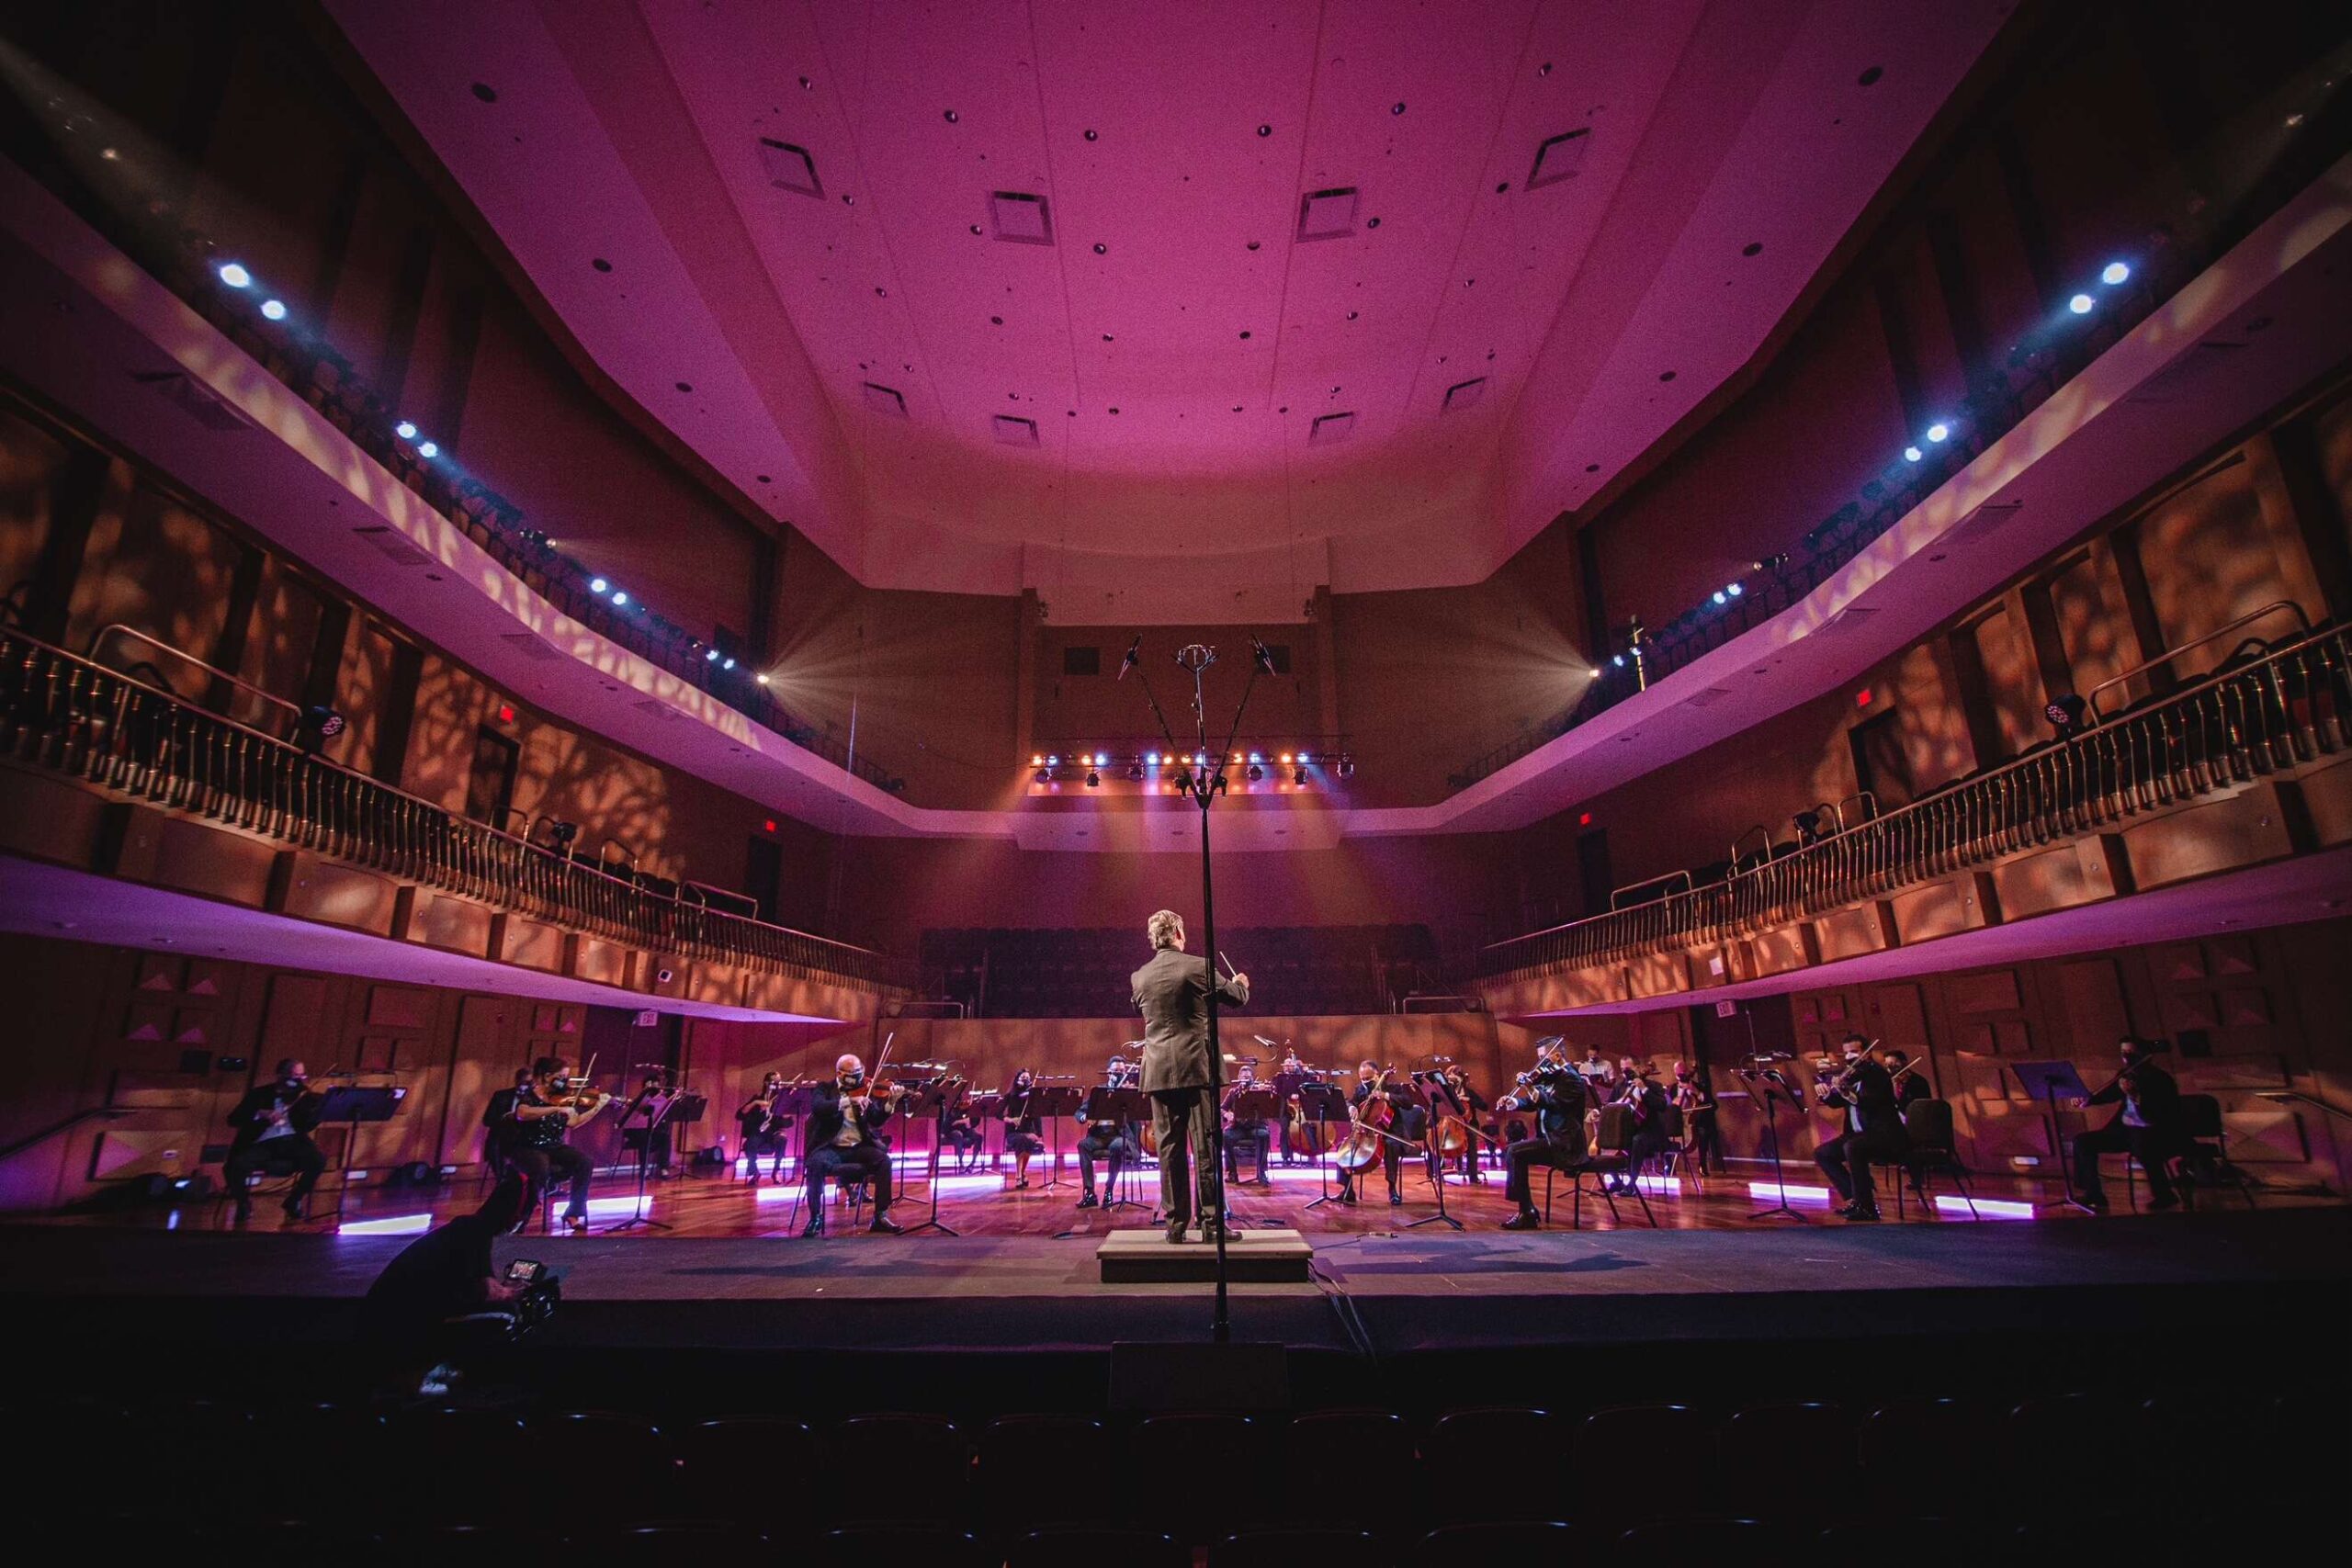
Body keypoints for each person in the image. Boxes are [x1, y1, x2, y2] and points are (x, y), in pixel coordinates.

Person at [1132, 908, 1249, 1244]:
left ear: (1154, 938)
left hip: (1158, 1072)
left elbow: (1143, 1007)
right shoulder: (1198, 967)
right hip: (1196, 1070)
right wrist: (1240, 983)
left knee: (1169, 1149)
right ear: (1179, 933)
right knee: (1206, 1147)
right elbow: (1236, 998)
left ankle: (1175, 1226)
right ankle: (1211, 1225)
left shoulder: (1139, 976)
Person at [358, 1172, 535, 1383]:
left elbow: (483, 1283)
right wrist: (510, 1293)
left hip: (395, 1316)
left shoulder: (471, 1228)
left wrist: (502, 1289)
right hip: (403, 1324)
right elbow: (484, 1291)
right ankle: (424, 1371)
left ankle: (429, 1367)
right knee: (508, 1315)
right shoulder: (474, 1232)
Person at [2071, 1036, 2185, 1213]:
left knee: (2143, 1143)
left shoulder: (2160, 1079)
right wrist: (2088, 1100)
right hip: (2124, 1131)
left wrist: (2134, 1096)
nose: (2126, 1057)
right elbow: (2110, 1094)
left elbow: (2160, 1114)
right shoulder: (2125, 1074)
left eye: (2131, 1053)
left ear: (2144, 1054)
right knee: (2082, 1141)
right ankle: (2093, 1193)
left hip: (2153, 1131)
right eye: (2124, 1053)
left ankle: (2164, 1195)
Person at [507, 1056, 616, 1232]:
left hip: (554, 1146)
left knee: (585, 1161)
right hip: (528, 1146)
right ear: (547, 1076)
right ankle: (522, 1217)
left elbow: (574, 1122)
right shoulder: (529, 1094)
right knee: (540, 1165)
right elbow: (522, 1113)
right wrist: (555, 1109)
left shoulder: (561, 1097)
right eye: (561, 1077)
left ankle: (573, 1213)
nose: (565, 1082)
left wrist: (597, 1107)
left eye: (566, 1077)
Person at [802, 1053, 905, 1236]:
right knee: (815, 1164)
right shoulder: (824, 1088)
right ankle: (815, 1217)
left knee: (884, 1162)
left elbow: (875, 1120)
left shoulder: (864, 1089)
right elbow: (819, 1107)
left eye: (859, 1072)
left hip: (857, 1147)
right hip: (830, 1148)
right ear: (840, 1074)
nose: (858, 1078)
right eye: (853, 1073)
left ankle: (880, 1216)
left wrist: (890, 1103)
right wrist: (848, 1101)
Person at [1813, 1034, 1909, 1222]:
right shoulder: (1852, 1075)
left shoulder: (1877, 1075)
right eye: (1846, 1053)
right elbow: (1836, 1102)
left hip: (1885, 1135)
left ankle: (1867, 1208)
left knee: (1854, 1147)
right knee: (1823, 1153)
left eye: (1854, 1052)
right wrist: (1825, 1094)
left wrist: (1847, 1093)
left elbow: (1869, 1103)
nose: (1849, 1057)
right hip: (1859, 1135)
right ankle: (1855, 1198)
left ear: (1867, 1053)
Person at [223, 1059, 331, 1224]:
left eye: (302, 1075)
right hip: (262, 1142)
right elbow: (233, 1120)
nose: (300, 1080)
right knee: (237, 1164)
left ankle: (293, 1201)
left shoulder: (304, 1096)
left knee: (318, 1160)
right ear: (281, 1075)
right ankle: (243, 1203)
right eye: (295, 1075)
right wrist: (260, 1113)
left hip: (293, 1141)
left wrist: (315, 1114)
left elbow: (306, 1126)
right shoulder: (259, 1094)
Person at [1498, 1052, 1589, 1230]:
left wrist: (1531, 1088)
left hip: (1565, 1144)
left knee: (1514, 1151)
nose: (1541, 1060)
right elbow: (1536, 1102)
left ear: (1556, 1055)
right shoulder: (1553, 1077)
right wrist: (1515, 1102)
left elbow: (1552, 1103)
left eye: (1544, 1056)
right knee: (1515, 1151)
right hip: (1551, 1141)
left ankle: (1527, 1213)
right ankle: (1527, 1209)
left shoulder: (1571, 1079)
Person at [1335, 1060, 1419, 1206]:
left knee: (1391, 1146)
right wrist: (1351, 1108)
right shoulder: (1360, 1089)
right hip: (1367, 1134)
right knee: (1342, 1148)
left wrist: (1385, 1095)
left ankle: (1392, 1189)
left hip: (1391, 1133)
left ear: (1377, 1075)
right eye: (1363, 1079)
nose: (1366, 1082)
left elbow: (1408, 1103)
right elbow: (1350, 1102)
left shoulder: (1392, 1088)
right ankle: (1348, 1191)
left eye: (1369, 1078)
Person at [1075, 1056, 1135, 1208]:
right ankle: (1090, 1193)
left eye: (1122, 1071)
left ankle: (1109, 1190)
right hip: (1099, 1136)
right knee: (1083, 1145)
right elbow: (1080, 1112)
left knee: (1116, 1147)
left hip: (1119, 1136)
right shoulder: (1099, 1092)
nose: (1119, 1074)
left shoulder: (1127, 1092)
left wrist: (1130, 1098)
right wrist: (1086, 1117)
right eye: (1115, 1071)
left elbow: (1137, 1117)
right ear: (1108, 1073)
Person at [1611, 1059, 1673, 1192]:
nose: (1625, 1073)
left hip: (1651, 1133)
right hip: (1628, 1131)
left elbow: (1662, 1106)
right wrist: (1596, 1112)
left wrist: (1643, 1089)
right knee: (1607, 1141)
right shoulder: (1619, 1087)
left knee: (1637, 1140)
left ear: (1637, 1068)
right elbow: (1609, 1106)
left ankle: (1632, 1184)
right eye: (1622, 1070)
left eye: (1628, 1069)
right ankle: (1617, 1182)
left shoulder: (1654, 1086)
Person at [1222, 1062, 1274, 1188]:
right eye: (1243, 1075)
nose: (1245, 1077)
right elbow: (1222, 1108)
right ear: (1239, 1077)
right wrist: (1227, 1114)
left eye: (1248, 1075)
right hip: (1239, 1127)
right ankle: (1232, 1172)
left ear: (1252, 1077)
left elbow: (1270, 1104)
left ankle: (1261, 1172)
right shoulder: (1234, 1092)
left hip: (1256, 1126)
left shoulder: (1258, 1091)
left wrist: (1268, 1092)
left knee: (1264, 1135)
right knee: (1226, 1136)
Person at [618, 1073, 677, 1182]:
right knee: (644, 1138)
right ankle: (644, 1170)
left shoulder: (661, 1100)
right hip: (634, 1132)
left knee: (665, 1138)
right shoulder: (640, 1099)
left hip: (650, 1130)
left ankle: (664, 1169)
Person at [481, 1067, 534, 1182]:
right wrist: (505, 1118)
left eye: (528, 1083)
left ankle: (526, 1183)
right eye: (522, 1082)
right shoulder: (501, 1096)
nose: (524, 1086)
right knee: (495, 1146)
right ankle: (502, 1181)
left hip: (524, 1138)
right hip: (502, 1136)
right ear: (516, 1081)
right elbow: (487, 1120)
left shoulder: (535, 1099)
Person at [738, 1071, 790, 1186]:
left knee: (782, 1139)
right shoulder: (758, 1098)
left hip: (773, 1133)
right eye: (774, 1081)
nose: (777, 1084)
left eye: (779, 1082)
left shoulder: (781, 1100)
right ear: (766, 1083)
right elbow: (739, 1115)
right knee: (749, 1145)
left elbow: (789, 1123)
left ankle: (776, 1171)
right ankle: (755, 1172)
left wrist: (786, 1116)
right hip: (759, 1133)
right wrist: (755, 1104)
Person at [1001, 1069, 1046, 1189]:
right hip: (1013, 1132)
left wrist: (1038, 1133)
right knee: (1021, 1139)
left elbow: (1037, 1115)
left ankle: (1021, 1173)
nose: (1026, 1080)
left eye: (1028, 1078)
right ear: (1017, 1079)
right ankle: (1019, 1175)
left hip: (1028, 1131)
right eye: (1023, 1077)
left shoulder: (1031, 1097)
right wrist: (1010, 1120)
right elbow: (998, 1113)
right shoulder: (1010, 1096)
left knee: (1028, 1139)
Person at [1881, 1047, 1934, 1115]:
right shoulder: (1888, 1082)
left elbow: (1923, 1107)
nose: (1890, 1069)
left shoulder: (1918, 1082)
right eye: (1887, 1065)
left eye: (1893, 1064)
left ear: (1904, 1062)